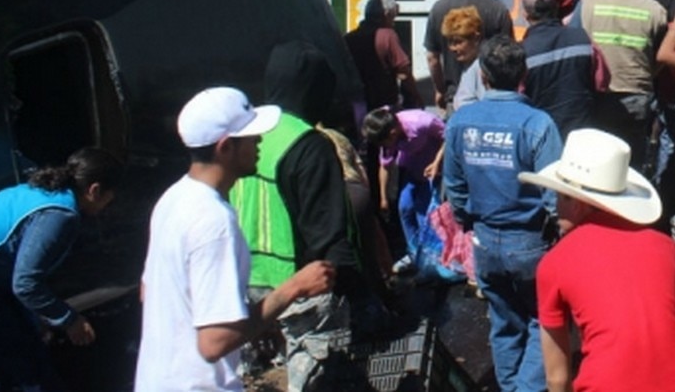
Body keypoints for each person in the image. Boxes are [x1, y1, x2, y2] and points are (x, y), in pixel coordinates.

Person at [136, 87, 335, 392]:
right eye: (252, 137)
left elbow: (148, 291)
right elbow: (214, 342)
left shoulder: (172, 199)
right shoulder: (214, 221)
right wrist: (293, 288)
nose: (260, 142)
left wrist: (251, 321)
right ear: (225, 147)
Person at [523, 129, 675, 392]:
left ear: (577, 203)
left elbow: (557, 378)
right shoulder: (665, 246)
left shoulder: (555, 262)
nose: (555, 207)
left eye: (559, 196)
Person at [229, 42, 363, 391]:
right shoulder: (308, 143)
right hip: (301, 284)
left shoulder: (245, 134)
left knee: (254, 375)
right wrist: (357, 289)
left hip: (246, 281)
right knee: (311, 376)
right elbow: (328, 230)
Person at [443, 36, 563, 392]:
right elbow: (554, 192)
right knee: (542, 318)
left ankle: (510, 385)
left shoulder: (461, 121)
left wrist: (468, 221)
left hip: (484, 240)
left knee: (503, 320)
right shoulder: (538, 124)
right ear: (524, 74)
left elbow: (455, 186)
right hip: (530, 241)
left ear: (482, 75)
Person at [0, 148, 123, 392]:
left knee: (1, 368)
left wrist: (38, 317)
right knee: (33, 374)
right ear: (95, 190)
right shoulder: (59, 215)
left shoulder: (41, 191)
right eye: (109, 198)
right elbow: (26, 284)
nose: (107, 207)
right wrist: (69, 320)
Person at [580, 0, 668, 170]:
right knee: (631, 161)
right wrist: (649, 72)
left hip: (598, 94)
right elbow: (663, 54)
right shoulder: (654, 10)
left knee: (599, 160)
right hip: (637, 91)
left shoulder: (588, 5)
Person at [426, 0, 514, 110]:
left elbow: (432, 58)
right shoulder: (498, 10)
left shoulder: (439, 8)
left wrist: (440, 90)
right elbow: (507, 55)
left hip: (454, 96)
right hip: (490, 98)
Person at [363, 107, 445, 275]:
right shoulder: (388, 137)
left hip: (432, 172)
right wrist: (384, 198)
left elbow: (449, 137)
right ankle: (415, 252)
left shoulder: (422, 122)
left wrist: (437, 162)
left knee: (424, 215)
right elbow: (385, 166)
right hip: (412, 170)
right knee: (405, 208)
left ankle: (432, 258)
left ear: (392, 133)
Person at [522, 0, 595, 136]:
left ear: (525, 15)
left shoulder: (522, 53)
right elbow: (602, 82)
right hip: (582, 131)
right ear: (556, 7)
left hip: (543, 135)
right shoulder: (583, 39)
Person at [344, 0, 421, 111]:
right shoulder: (387, 35)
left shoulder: (349, 38)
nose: (393, 23)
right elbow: (403, 71)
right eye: (393, 18)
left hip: (356, 103)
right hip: (383, 104)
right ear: (386, 14)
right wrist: (416, 96)